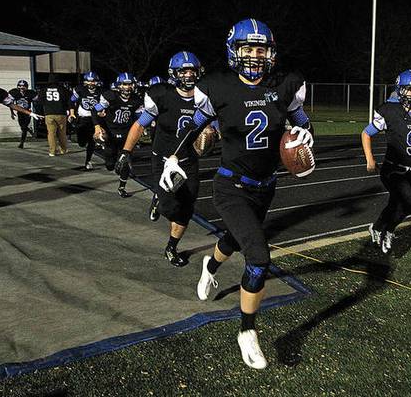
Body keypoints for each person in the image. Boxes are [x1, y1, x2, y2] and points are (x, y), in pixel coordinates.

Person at [161, 19, 313, 369]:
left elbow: (302, 120)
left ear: (271, 53)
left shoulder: (285, 84)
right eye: (248, 48)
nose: (255, 55)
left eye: (262, 49)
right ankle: (247, 330)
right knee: (258, 257)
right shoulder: (218, 86)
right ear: (235, 51)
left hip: (266, 186)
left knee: (233, 238)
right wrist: (174, 157)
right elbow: (195, 125)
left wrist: (306, 134)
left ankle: (209, 265)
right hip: (230, 186)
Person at [115, 52, 202, 267]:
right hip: (163, 160)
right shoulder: (162, 94)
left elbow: (215, 127)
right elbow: (140, 124)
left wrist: (211, 134)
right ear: (174, 73)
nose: (189, 75)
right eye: (184, 70)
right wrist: (126, 152)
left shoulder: (205, 96)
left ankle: (171, 247)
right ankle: (159, 200)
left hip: (188, 161)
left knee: (185, 210)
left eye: (192, 70)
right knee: (169, 208)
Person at [361, 69, 411, 254]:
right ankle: (388, 231)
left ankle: (376, 228)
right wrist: (370, 159)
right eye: (410, 89)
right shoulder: (389, 111)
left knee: (395, 204)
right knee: (409, 204)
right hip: (392, 169)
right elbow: (366, 133)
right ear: (400, 90)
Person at [93, 72, 143, 197]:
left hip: (127, 132)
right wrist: (97, 127)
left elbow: (139, 117)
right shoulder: (110, 96)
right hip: (111, 132)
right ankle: (114, 162)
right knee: (110, 165)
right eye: (124, 84)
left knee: (125, 161)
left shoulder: (137, 100)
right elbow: (95, 110)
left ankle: (122, 187)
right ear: (119, 85)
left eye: (129, 84)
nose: (127, 87)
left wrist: (143, 127)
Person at [69, 71, 102, 170]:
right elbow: (72, 101)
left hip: (94, 119)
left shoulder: (101, 91)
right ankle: (86, 142)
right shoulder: (80, 89)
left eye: (93, 81)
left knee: (92, 141)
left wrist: (103, 113)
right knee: (81, 143)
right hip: (83, 118)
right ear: (85, 81)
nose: (91, 83)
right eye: (89, 81)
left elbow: (106, 104)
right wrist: (72, 113)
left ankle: (88, 161)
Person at [39, 75, 71, 157]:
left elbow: (40, 101)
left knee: (51, 133)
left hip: (49, 113)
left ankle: (52, 151)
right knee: (62, 132)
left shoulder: (44, 89)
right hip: (61, 113)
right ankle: (63, 149)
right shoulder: (63, 89)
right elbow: (68, 100)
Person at [9, 79, 39, 148]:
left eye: (23, 86)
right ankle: (28, 130)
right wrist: (12, 112)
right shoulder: (15, 92)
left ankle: (21, 143)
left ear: (26, 87)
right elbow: (10, 103)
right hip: (20, 112)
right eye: (20, 86)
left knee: (24, 128)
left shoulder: (30, 93)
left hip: (27, 112)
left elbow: (36, 101)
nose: (22, 88)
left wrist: (35, 111)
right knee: (23, 127)